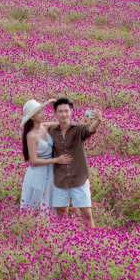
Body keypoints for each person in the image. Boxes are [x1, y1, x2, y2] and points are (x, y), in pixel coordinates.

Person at [48, 97, 101, 228]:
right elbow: (37, 126)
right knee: (61, 213)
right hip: (60, 179)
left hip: (79, 178)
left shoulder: (78, 129)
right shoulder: (51, 131)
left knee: (87, 214)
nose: (64, 114)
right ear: (55, 113)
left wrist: (98, 121)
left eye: (66, 111)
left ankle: (92, 240)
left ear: (71, 112)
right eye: (60, 111)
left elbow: (90, 130)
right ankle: (63, 239)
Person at [19, 98, 71, 212]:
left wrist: (56, 106)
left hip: (50, 171)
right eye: (39, 112)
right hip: (37, 174)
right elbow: (33, 161)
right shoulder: (31, 136)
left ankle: (48, 228)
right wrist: (56, 160)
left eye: (41, 111)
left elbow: (65, 123)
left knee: (48, 202)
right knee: (36, 205)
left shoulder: (45, 126)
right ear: (32, 117)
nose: (42, 114)